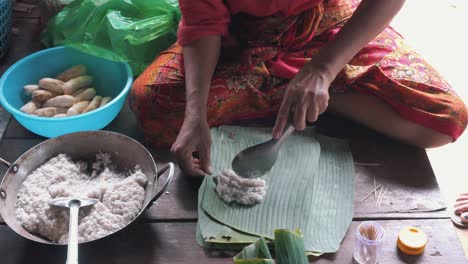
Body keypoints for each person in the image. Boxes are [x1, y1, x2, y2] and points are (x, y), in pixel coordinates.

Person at [130, 0, 467, 179]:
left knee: (442, 117)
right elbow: (203, 23)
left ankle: (322, 92)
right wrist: (195, 112)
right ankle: (297, 90)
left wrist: (323, 69)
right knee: (150, 102)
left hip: (327, 25)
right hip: (237, 39)